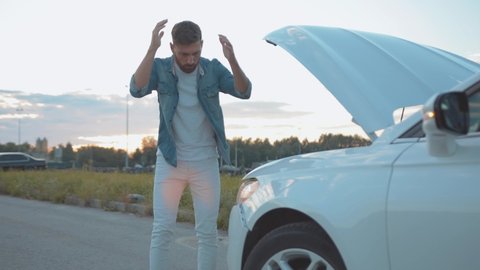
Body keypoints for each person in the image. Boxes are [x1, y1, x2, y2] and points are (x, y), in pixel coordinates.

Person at [129, 19, 252, 270]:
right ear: (173, 47)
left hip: (205, 162)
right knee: (162, 230)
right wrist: (152, 48)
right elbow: (136, 88)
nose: (190, 60)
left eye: (196, 53)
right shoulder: (161, 68)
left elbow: (244, 91)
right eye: (184, 54)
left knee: (207, 234)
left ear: (202, 46)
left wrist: (232, 59)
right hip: (170, 160)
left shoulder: (213, 69)